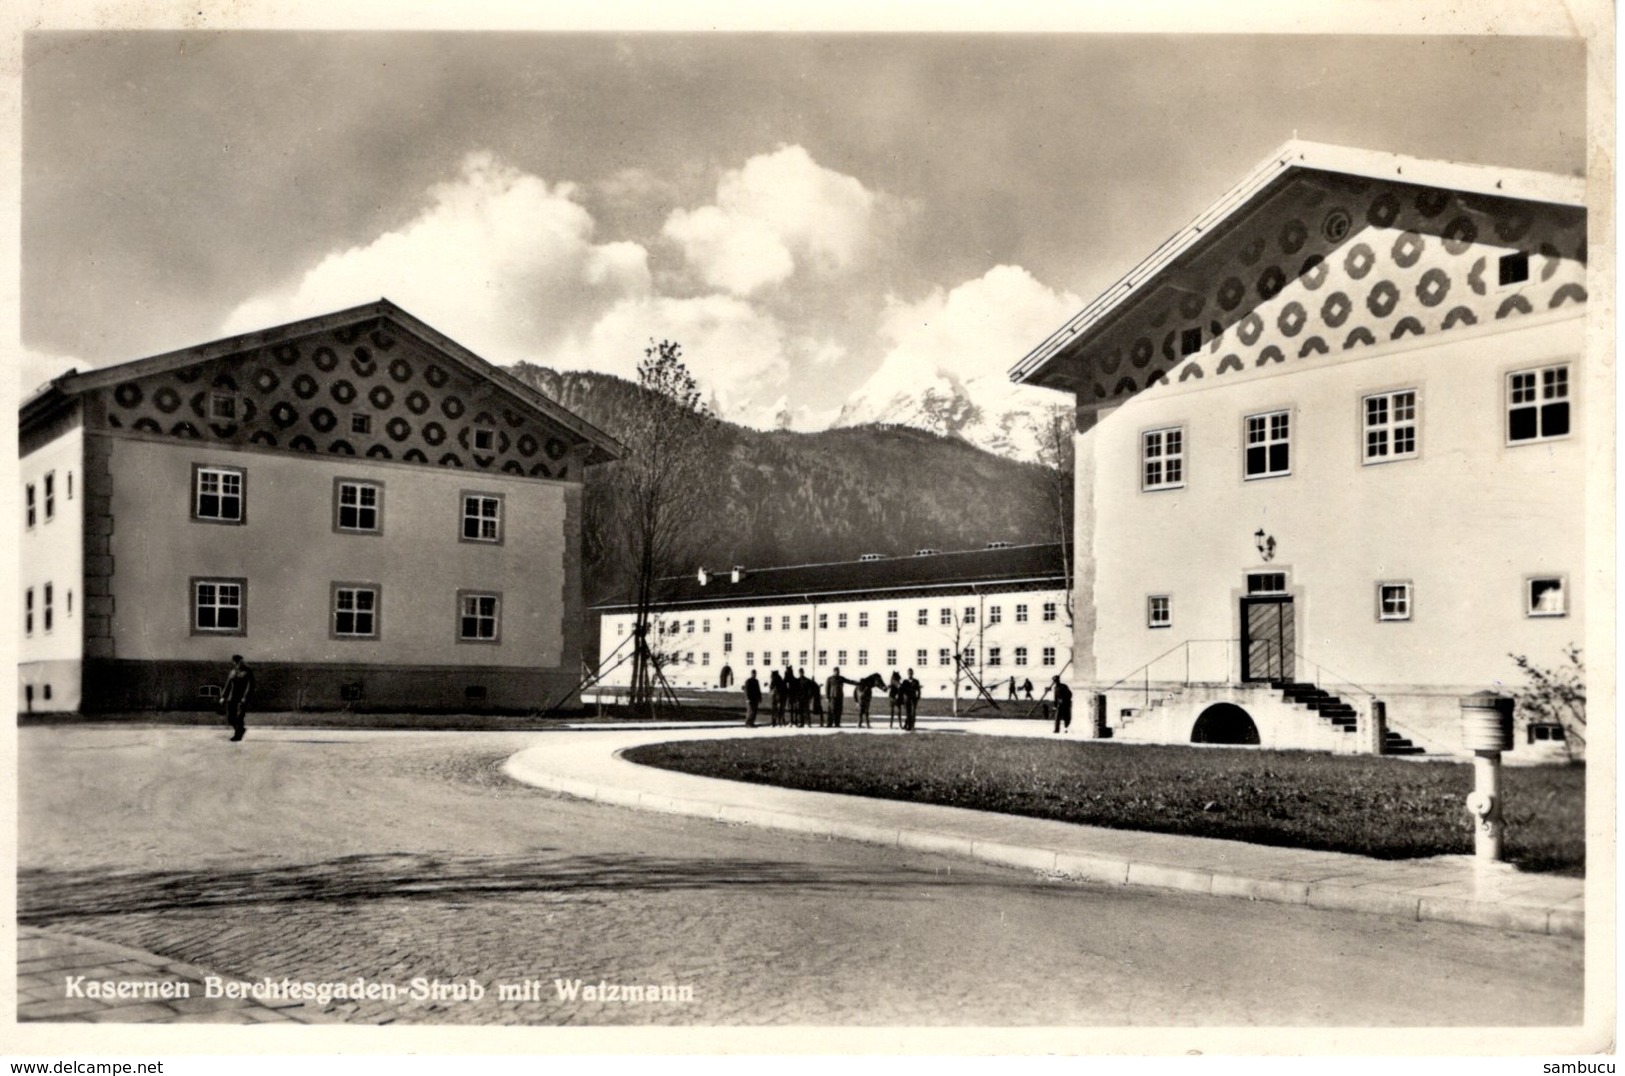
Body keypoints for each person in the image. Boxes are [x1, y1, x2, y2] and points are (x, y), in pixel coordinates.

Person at [221, 654, 255, 742]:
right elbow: (228, 685)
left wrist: (245, 697)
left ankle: (237, 735)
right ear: (234, 662)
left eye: (241, 661)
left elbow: (250, 686)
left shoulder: (248, 672)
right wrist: (223, 697)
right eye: (237, 662)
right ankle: (241, 730)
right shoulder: (232, 672)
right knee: (230, 717)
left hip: (242, 699)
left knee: (239, 717)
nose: (240, 663)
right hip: (231, 697)